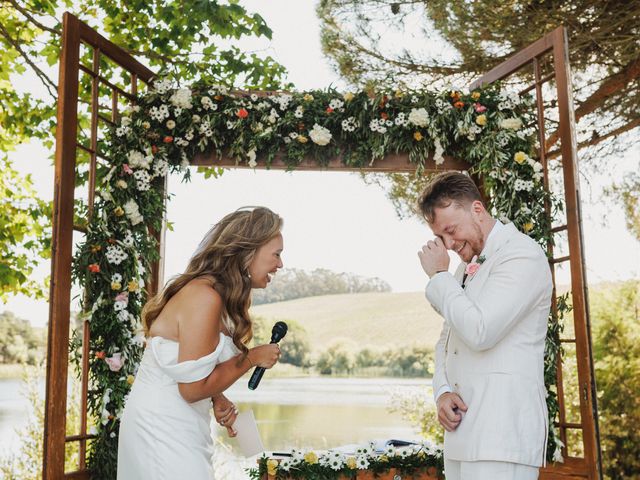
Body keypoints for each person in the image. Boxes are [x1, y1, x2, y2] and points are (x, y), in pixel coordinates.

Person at [117, 206, 284, 480]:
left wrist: (216, 397)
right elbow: (192, 388)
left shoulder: (215, 295)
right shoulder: (204, 296)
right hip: (161, 424)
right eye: (276, 254)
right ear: (248, 251)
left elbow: (193, 365)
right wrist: (251, 358)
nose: (280, 264)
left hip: (182, 420)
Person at [416, 172, 552, 480]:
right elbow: (447, 339)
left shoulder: (522, 255)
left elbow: (480, 331)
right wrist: (443, 390)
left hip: (502, 435)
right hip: (462, 435)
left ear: (477, 210)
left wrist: (439, 277)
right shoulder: (465, 267)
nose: (449, 245)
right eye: (442, 238)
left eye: (451, 230)